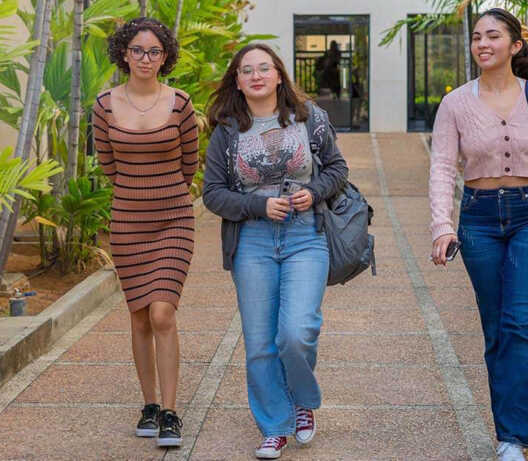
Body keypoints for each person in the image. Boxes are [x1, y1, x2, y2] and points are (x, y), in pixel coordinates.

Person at [429, 8, 528, 461]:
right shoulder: (455, 104)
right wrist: (442, 227)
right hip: (478, 219)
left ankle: (514, 437)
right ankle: (507, 431)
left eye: (493, 36)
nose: (483, 43)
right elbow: (442, 168)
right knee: (497, 326)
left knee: (523, 322)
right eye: (477, 37)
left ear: (515, 46)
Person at [203, 43, 347, 459]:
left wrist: (313, 192)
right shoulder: (227, 130)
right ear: (237, 81)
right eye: (247, 70)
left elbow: (337, 169)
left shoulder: (309, 118)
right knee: (260, 343)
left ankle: (301, 399)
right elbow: (213, 194)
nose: (256, 76)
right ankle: (274, 425)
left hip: (306, 236)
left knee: (297, 332)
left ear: (279, 75)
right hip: (252, 240)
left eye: (264, 68)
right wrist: (257, 205)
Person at [92, 17, 198, 448]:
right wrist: (137, 193)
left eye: (154, 51)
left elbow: (189, 164)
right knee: (138, 315)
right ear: (124, 53)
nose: (145, 58)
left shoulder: (180, 103)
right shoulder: (104, 105)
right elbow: (108, 165)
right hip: (128, 224)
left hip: (174, 220)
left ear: (164, 57)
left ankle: (171, 412)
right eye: (137, 50)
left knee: (162, 313)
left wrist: (162, 192)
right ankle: (149, 404)